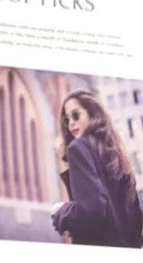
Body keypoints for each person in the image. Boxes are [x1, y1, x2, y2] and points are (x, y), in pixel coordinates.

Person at [51, 89, 143, 248]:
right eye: (66, 120)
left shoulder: (77, 148)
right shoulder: (117, 155)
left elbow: (93, 212)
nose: (71, 123)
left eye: (76, 115)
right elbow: (135, 218)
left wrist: (61, 213)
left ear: (92, 114)